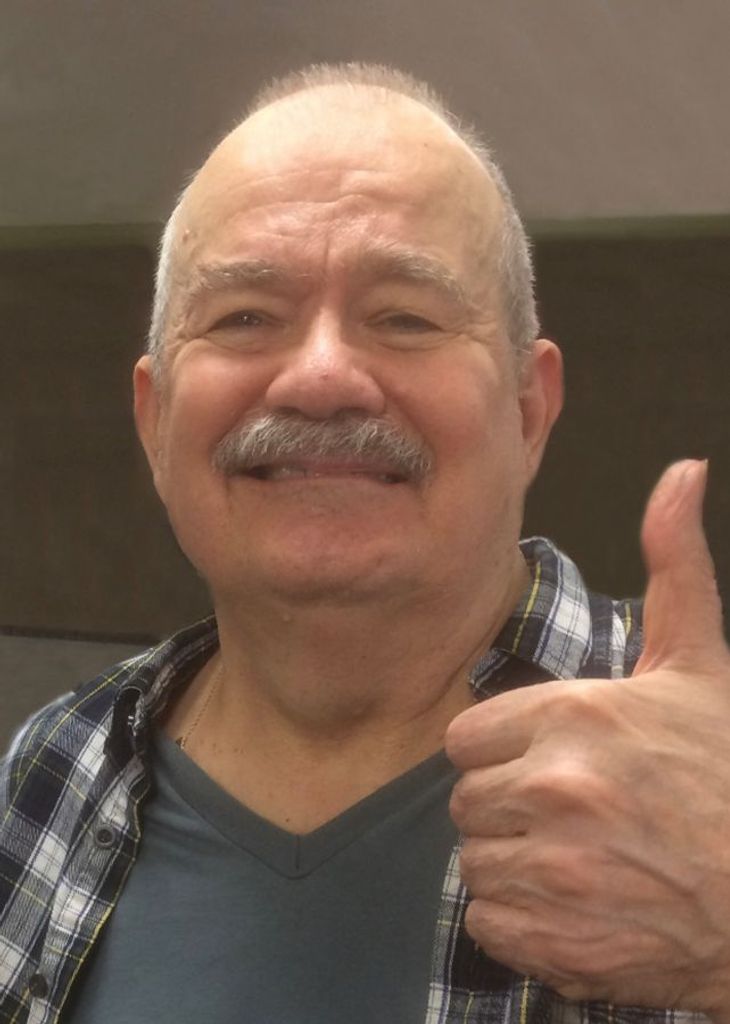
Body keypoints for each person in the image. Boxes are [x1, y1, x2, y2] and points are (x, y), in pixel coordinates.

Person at [1, 63, 729, 1024]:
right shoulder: (54, 765)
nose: (321, 377)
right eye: (244, 318)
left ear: (527, 411)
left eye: (405, 318)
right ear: (155, 419)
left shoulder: (713, 769)